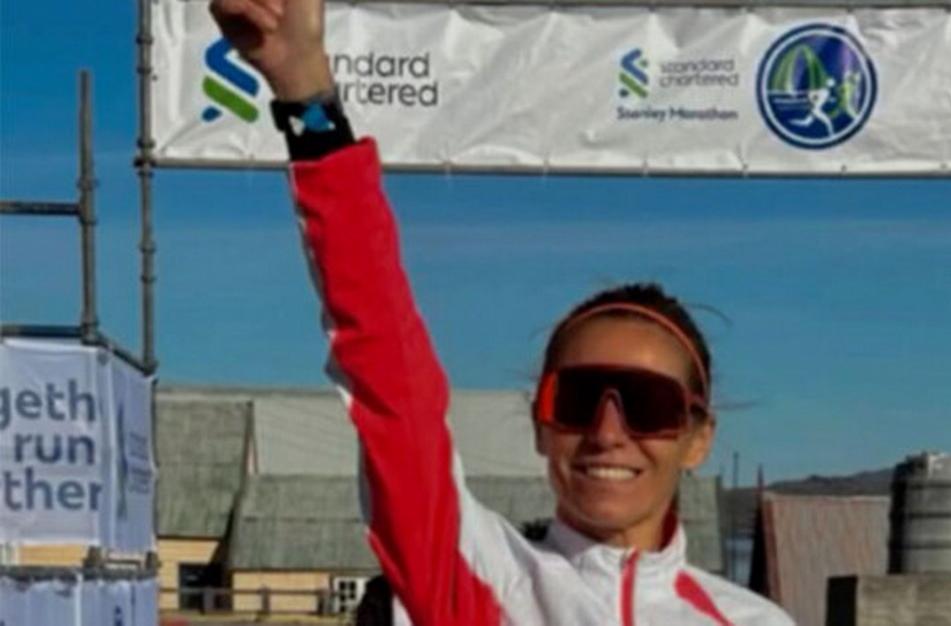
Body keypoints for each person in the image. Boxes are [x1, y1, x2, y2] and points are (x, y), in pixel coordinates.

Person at [210, 1, 795, 624]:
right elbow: (388, 370)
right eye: (577, 399)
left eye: (649, 404)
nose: (607, 431)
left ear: (698, 437)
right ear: (541, 422)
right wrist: (306, 92)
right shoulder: (478, 575)